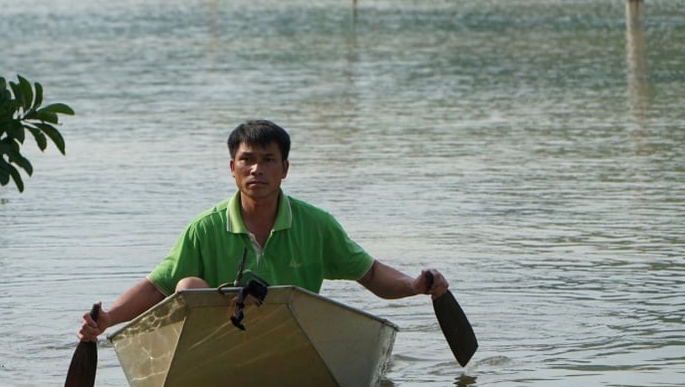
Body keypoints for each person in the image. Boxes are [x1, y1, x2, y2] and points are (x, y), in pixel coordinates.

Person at [77, 119, 449, 342]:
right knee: (187, 286)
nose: (257, 170)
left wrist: (415, 286)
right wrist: (108, 318)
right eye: (248, 160)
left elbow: (369, 273)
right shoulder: (205, 228)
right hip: (218, 342)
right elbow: (156, 286)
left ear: (284, 169)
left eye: (268, 160)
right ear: (232, 168)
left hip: (291, 340)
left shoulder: (316, 224)